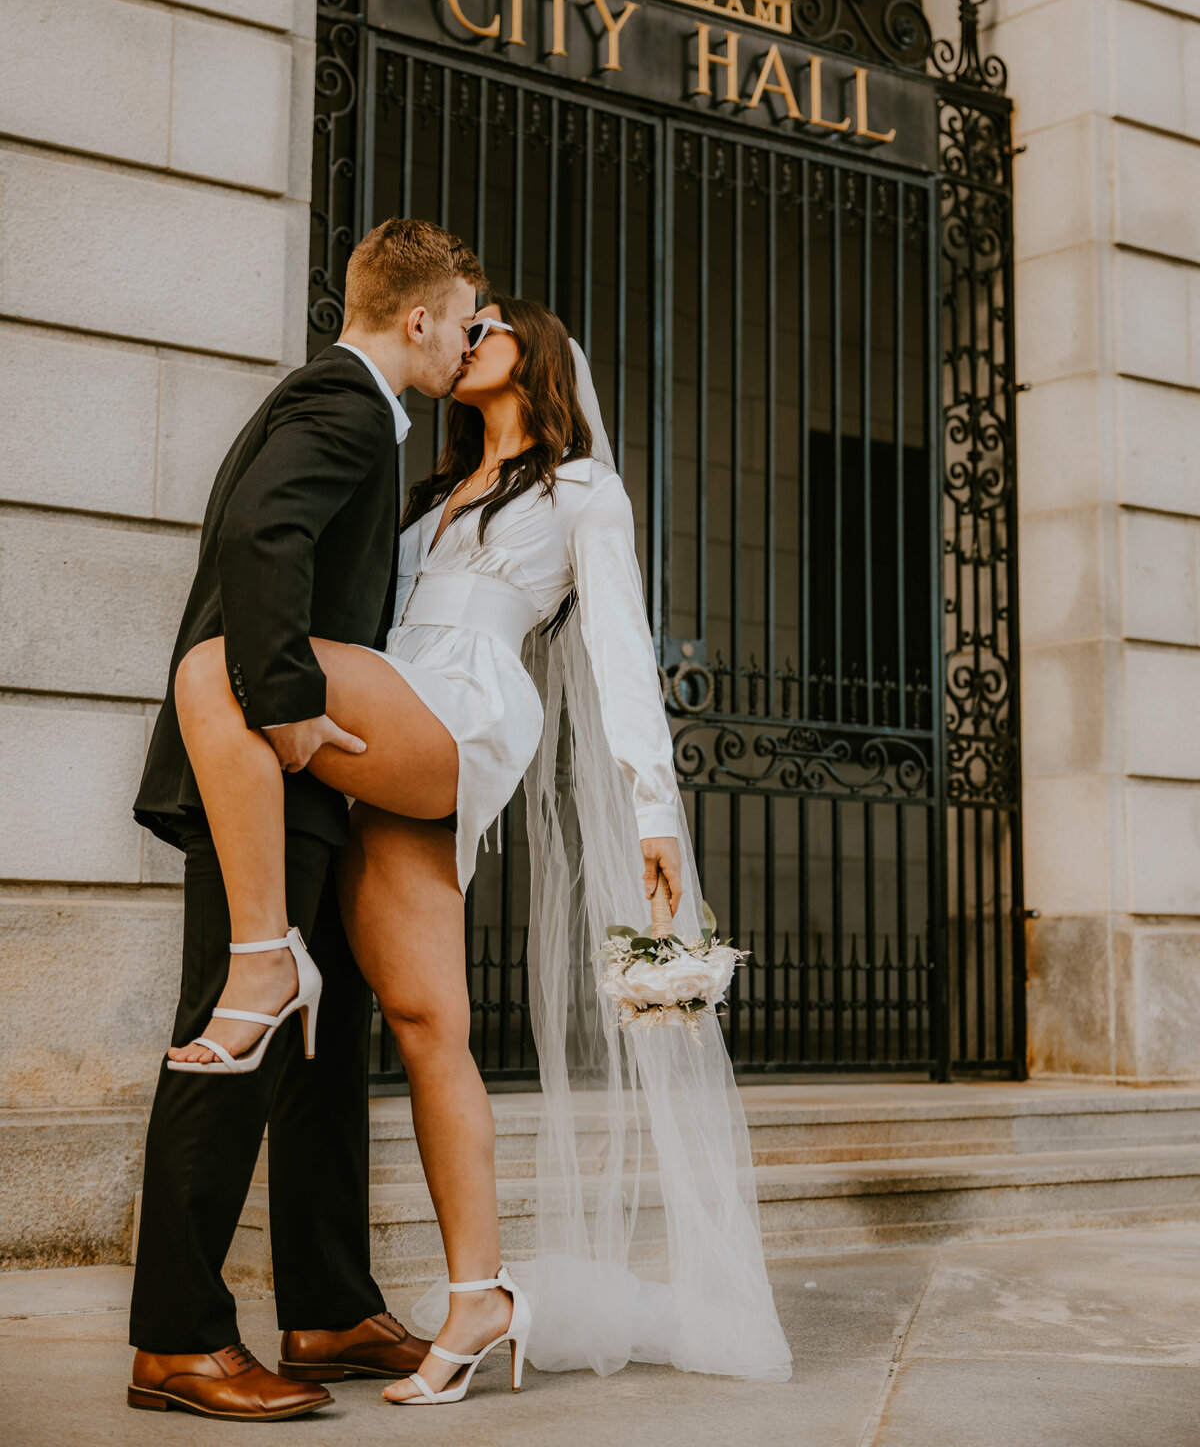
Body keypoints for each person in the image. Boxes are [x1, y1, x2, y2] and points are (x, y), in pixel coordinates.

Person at [166, 293, 793, 1403]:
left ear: (536, 355)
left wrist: (655, 810)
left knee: (224, 665)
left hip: (460, 713)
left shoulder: (584, 489)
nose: (474, 333)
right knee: (425, 1021)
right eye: (472, 318)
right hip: (394, 729)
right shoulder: (424, 499)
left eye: (493, 323)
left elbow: (618, 648)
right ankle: (480, 1296)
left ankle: (264, 958)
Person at [127, 219, 488, 1421]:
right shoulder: (343, 403)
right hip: (263, 773)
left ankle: (329, 1303)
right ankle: (177, 1338)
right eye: (463, 319)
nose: (469, 341)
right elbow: (258, 537)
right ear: (418, 317)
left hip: (310, 784)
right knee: (232, 1030)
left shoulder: (348, 408)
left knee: (325, 1055)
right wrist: (286, 709)